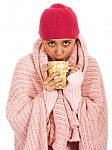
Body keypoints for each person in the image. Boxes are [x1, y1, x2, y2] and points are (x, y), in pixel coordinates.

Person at [6, 3, 108, 150]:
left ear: (76, 40)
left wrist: (73, 90)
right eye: (51, 43)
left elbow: (99, 117)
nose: (59, 52)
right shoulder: (26, 66)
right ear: (42, 40)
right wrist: (47, 94)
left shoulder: (89, 66)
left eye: (66, 43)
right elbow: (16, 117)